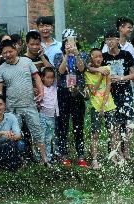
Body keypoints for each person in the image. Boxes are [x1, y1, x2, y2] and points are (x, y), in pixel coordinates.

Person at [0, 38, 46, 164]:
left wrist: (41, 92)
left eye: (10, 51)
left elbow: (37, 78)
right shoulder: (1, 69)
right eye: (5, 53)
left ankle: (45, 160)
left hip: (29, 105)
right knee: (14, 135)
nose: (7, 55)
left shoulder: (27, 61)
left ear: (16, 50)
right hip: (13, 108)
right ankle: (19, 160)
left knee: (37, 132)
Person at [99, 30, 134, 161]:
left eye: (112, 39)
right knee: (112, 123)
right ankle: (116, 151)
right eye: (107, 39)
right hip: (109, 94)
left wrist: (121, 78)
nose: (110, 42)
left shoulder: (126, 55)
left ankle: (126, 151)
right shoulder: (103, 57)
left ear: (117, 40)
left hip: (125, 92)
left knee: (127, 123)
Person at [54, 33, 88, 167]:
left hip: (77, 92)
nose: (70, 44)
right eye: (68, 41)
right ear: (63, 42)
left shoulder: (83, 54)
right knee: (62, 125)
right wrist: (67, 55)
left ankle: (81, 155)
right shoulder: (58, 55)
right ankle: (63, 155)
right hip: (63, 93)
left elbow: (82, 68)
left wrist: (76, 54)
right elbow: (61, 72)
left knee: (78, 125)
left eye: (73, 41)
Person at [84, 48, 114, 169]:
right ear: (91, 57)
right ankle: (95, 160)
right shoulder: (87, 74)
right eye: (96, 56)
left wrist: (103, 106)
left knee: (112, 132)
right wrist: (101, 77)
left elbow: (108, 88)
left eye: (100, 56)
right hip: (95, 106)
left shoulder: (107, 68)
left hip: (108, 105)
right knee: (95, 134)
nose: (98, 59)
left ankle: (113, 156)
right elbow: (93, 90)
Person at [38, 66, 58, 161]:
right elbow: (35, 101)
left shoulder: (54, 87)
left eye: (52, 78)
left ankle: (48, 157)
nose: (50, 80)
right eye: (48, 77)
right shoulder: (40, 88)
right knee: (41, 137)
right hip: (42, 116)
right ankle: (40, 157)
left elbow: (57, 74)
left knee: (49, 138)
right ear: (42, 78)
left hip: (52, 117)